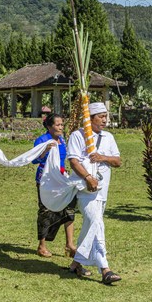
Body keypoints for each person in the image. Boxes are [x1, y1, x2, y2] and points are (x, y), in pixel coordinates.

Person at [67, 102, 122, 284]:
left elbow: (117, 161)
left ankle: (76, 263)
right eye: (101, 116)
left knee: (91, 225)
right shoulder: (77, 135)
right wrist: (88, 177)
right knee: (96, 223)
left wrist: (102, 157)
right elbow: (74, 161)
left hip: (103, 190)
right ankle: (105, 269)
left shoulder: (108, 137)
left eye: (106, 116)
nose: (105, 120)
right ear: (89, 119)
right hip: (85, 190)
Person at [32, 113, 77, 258]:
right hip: (46, 180)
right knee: (46, 210)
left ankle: (70, 244)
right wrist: (45, 149)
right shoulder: (42, 140)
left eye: (62, 125)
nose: (61, 127)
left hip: (62, 179)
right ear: (50, 126)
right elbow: (34, 159)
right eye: (58, 125)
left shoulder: (62, 140)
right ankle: (42, 245)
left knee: (69, 209)